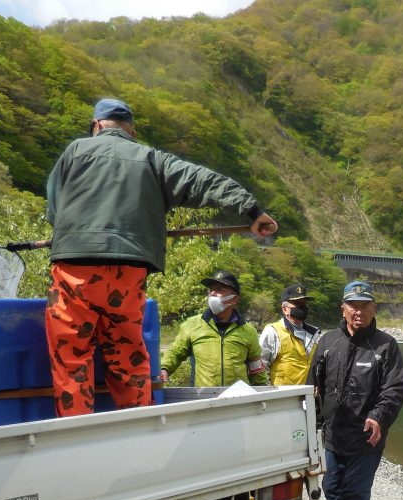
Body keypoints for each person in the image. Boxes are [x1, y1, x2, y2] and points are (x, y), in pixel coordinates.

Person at [45, 97, 277, 416]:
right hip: (127, 274)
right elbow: (202, 181)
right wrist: (251, 210)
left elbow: (54, 207)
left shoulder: (76, 150)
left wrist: (67, 230)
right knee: (128, 359)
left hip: (74, 268)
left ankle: (75, 434)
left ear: (97, 126)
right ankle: (139, 427)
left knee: (71, 358)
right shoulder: (151, 158)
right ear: (131, 131)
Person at [303, 280, 403, 500]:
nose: (358, 311)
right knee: (333, 490)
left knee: (354, 495)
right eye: (353, 305)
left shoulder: (386, 345)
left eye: (365, 305)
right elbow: (313, 385)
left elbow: (395, 389)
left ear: (374, 309)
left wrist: (378, 416)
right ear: (343, 309)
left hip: (367, 438)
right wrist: (313, 421)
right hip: (334, 434)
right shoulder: (328, 342)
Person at [260, 284, 321, 500]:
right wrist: (266, 397)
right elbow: (259, 366)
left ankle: (305, 494)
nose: (303, 308)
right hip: (283, 404)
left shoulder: (314, 334)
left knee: (309, 450)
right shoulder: (272, 332)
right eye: (298, 305)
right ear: (285, 309)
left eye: (305, 304)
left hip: (310, 403)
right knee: (287, 452)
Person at [159, 270, 269, 387]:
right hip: (204, 398)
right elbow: (176, 352)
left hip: (238, 399)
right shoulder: (192, 324)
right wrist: (163, 368)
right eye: (211, 289)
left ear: (234, 299)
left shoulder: (248, 330)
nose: (213, 293)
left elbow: (255, 366)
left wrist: (262, 392)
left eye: (219, 289)